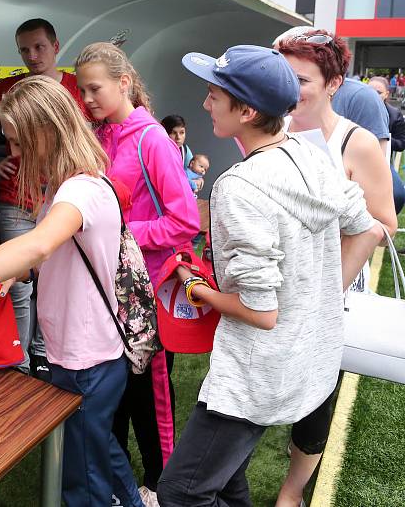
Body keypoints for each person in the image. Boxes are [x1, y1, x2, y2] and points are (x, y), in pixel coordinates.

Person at [156, 45, 382, 507]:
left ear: (247, 110)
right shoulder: (307, 150)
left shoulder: (238, 186)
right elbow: (368, 228)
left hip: (254, 373)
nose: (205, 104)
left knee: (180, 492)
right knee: (230, 479)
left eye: (214, 95)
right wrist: (320, 299)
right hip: (305, 357)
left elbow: (261, 313)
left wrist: (197, 287)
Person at [0, 75, 143, 506]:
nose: (12, 154)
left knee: (81, 477)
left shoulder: (78, 192)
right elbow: (46, 259)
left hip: (85, 359)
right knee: (98, 449)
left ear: (44, 134)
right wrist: (11, 275)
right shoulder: (71, 187)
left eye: (17, 143)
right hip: (83, 353)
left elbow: (36, 245)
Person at [271, 34, 399, 506]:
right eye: (283, 75)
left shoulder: (356, 141)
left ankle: (291, 490)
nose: (289, 87)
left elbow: (384, 220)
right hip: (275, 285)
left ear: (333, 84)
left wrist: (330, 288)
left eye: (301, 79)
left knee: (319, 396)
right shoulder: (270, 128)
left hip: (334, 288)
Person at [75, 42, 200, 506]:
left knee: (152, 399)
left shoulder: (153, 140)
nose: (87, 99)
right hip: (111, 291)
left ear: (124, 83)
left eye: (95, 88)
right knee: (117, 393)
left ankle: (159, 483)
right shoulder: (101, 134)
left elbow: (185, 220)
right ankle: (120, 482)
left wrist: (125, 232)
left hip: (147, 291)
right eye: (82, 90)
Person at [0, 18, 86, 378]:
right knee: (17, 283)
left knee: (52, 282)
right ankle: (19, 362)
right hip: (17, 200)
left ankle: (44, 353)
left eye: (39, 47)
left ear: (56, 46)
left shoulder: (76, 90)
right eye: (24, 50)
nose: (32, 56)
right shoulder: (10, 89)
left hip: (61, 202)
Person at [369, 76, 405, 154]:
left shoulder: (395, 115)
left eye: (378, 93)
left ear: (386, 94)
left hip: (382, 159)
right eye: (369, 91)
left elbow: (401, 144)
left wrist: (382, 137)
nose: (373, 95)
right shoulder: (355, 107)